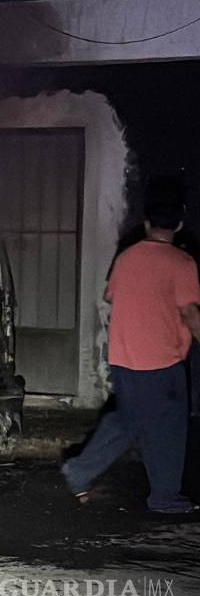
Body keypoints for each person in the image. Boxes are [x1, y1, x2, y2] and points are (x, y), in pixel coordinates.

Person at [62, 188, 200, 513]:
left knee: (131, 420)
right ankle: (163, 496)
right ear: (179, 224)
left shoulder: (127, 257)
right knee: (165, 428)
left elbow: (110, 295)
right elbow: (189, 312)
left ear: (147, 222)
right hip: (161, 360)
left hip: (124, 356)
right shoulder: (182, 262)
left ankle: (82, 472)